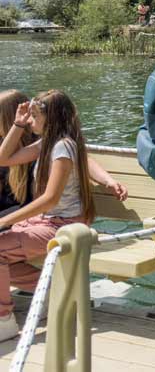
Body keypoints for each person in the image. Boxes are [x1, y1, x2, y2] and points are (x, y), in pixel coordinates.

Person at [0, 90, 128, 342]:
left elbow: (50, 199)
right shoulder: (48, 142)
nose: (30, 122)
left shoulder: (62, 148)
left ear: (51, 118)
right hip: (47, 221)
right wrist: (17, 123)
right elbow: (3, 158)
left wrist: (6, 221)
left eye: (35, 116)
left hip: (64, 225)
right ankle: (53, 289)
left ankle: (4, 320)